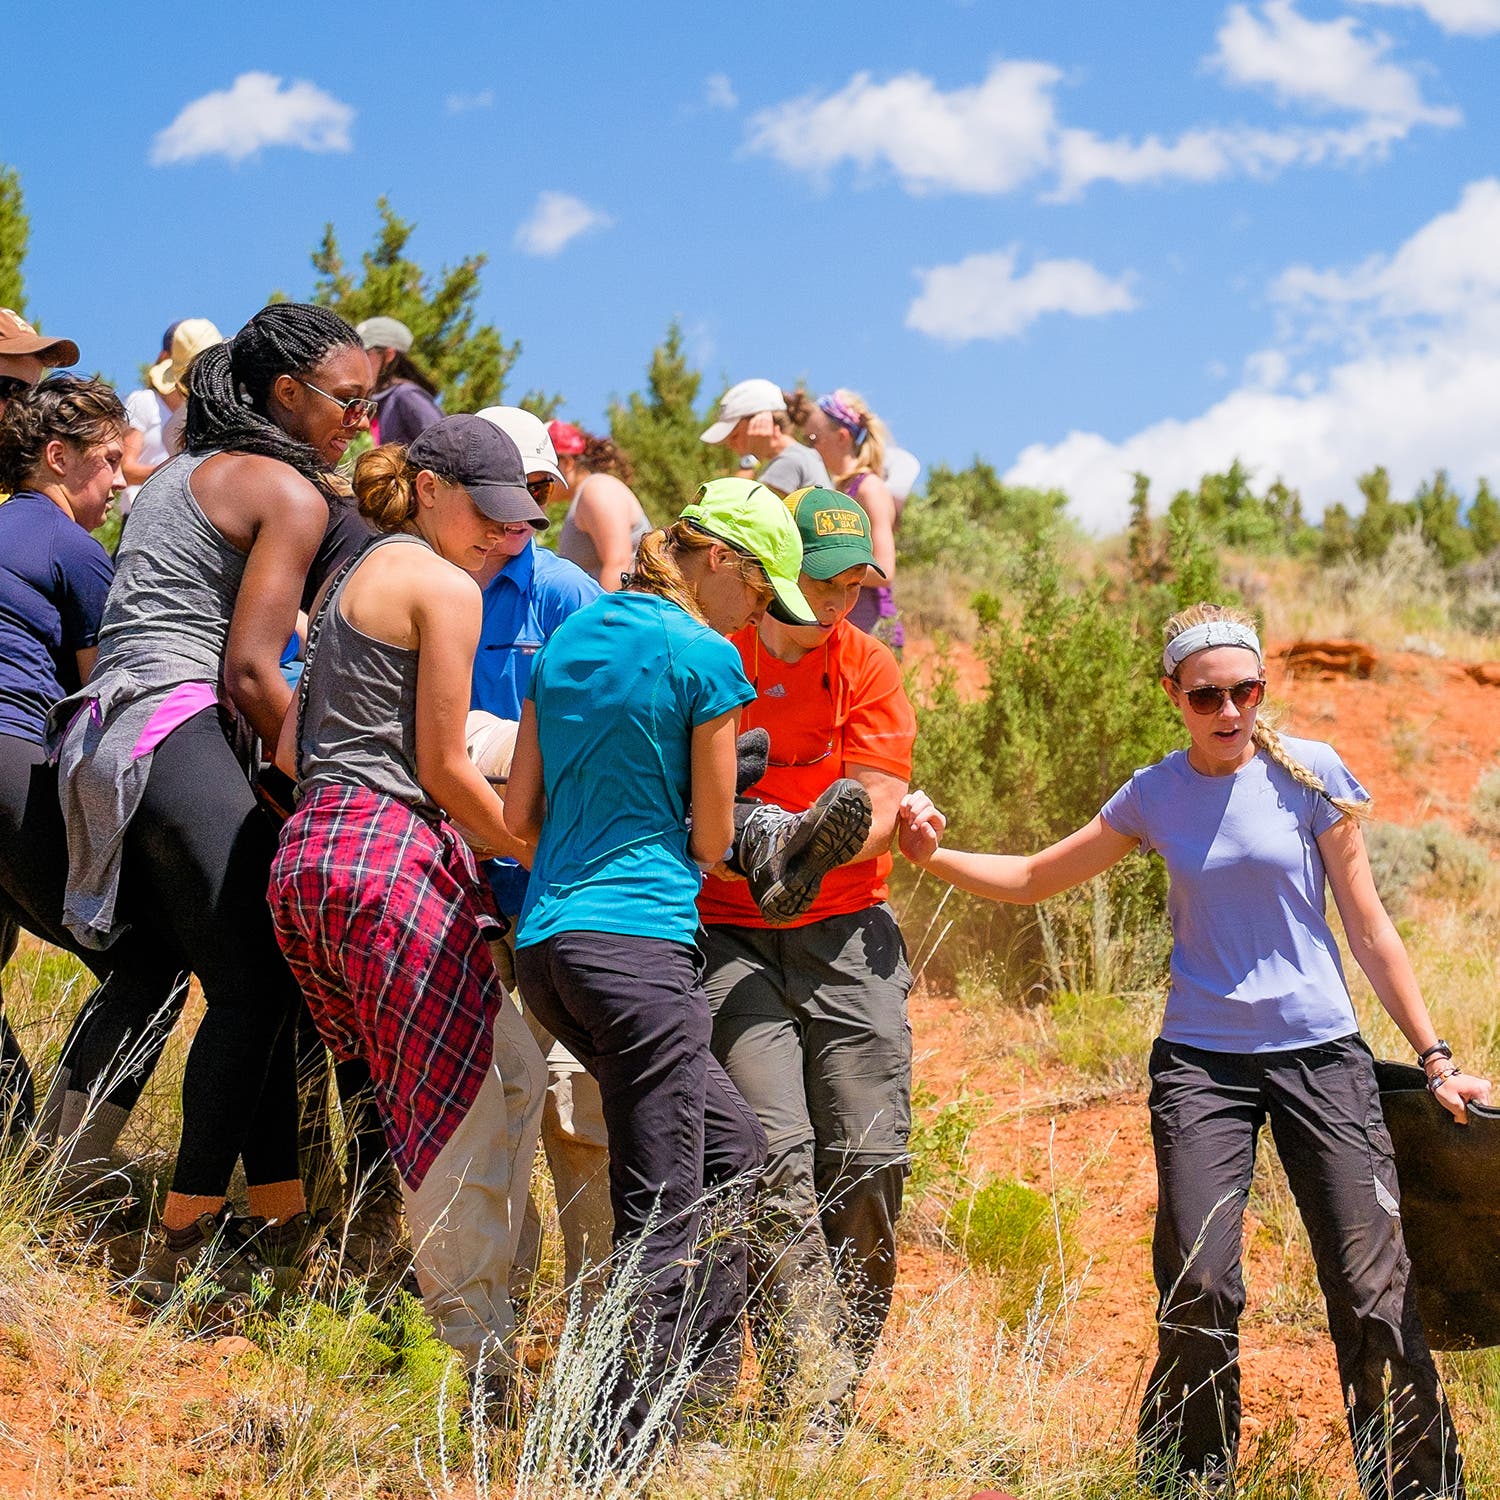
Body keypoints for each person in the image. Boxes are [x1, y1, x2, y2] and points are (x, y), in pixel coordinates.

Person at [897, 603, 1489, 1500]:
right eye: (1206, 693)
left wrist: (1436, 1058)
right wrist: (931, 857)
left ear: (1262, 689)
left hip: (1324, 1056)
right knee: (1201, 1282)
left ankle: (1419, 1490)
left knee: (1372, 1286)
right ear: (1173, 694)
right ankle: (1187, 1482)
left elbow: (1369, 928)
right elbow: (1030, 879)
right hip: (1201, 1066)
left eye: (1244, 690)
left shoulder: (1310, 774)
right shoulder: (1153, 793)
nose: (1228, 709)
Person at [509, 477, 865, 1448]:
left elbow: (517, 818)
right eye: (759, 593)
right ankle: (622, 1436)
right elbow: (710, 840)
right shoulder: (705, 657)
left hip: (549, 948)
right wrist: (714, 789)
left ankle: (696, 1395)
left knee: (735, 1155)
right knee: (661, 1205)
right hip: (639, 945)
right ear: (721, 561)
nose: (758, 615)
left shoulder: (570, 635)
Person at [50, 302, 377, 1299]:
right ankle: (179, 1254)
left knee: (210, 962)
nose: (363, 420)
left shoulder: (176, 474)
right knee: (257, 991)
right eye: (350, 401)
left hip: (102, 732)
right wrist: (325, 770)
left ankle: (262, 1219)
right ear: (290, 394)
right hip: (179, 723)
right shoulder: (290, 492)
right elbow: (247, 670)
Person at [269, 414, 547, 1414]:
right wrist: (529, 850)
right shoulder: (443, 585)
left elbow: (294, 753)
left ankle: (487, 1317)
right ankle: (471, 1364)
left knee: (506, 1075)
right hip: (391, 862)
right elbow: (438, 767)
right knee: (460, 1111)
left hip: (311, 859)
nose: (506, 541)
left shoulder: (352, 579)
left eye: (519, 525)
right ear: (429, 489)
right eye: (489, 517)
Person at [698, 486, 915, 1425]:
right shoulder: (720, 653)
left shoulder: (868, 666)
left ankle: (841, 1371)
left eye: (856, 581)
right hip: (730, 934)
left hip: (845, 935)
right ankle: (807, 1386)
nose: (840, 598)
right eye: (824, 579)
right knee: (773, 1157)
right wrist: (762, 845)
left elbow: (875, 803)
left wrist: (798, 846)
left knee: (868, 1158)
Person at [0, 378, 186, 1165]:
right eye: (109, 461)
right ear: (57, 456)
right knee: (151, 965)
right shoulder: (72, 548)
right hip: (10, 752)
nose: (118, 480)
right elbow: (103, 705)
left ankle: (12, 1147)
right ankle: (63, 1165)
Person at [470, 406, 613, 1302]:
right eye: (508, 494)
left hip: (555, 889)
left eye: (535, 495)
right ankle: (498, 1316)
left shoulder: (565, 594)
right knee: (489, 1109)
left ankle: (599, 1319)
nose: (520, 515)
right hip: (460, 893)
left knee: (576, 1105)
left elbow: (607, 727)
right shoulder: (418, 581)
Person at [803, 390, 903, 651]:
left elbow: (884, 571)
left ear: (842, 437)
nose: (810, 448)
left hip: (873, 630)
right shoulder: (842, 489)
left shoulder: (870, 488)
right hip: (848, 625)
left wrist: (820, 571)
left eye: (813, 438)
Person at [121, 319, 223, 513]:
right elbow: (126, 468)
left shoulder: (197, 410)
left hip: (179, 510)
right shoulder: (145, 402)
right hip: (141, 511)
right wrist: (176, 471)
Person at [546, 420, 651, 591]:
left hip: (623, 614)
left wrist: (605, 618)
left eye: (545, 468)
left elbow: (618, 564)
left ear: (566, 463)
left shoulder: (596, 489)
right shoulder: (583, 497)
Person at [699, 378, 827, 499]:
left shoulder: (788, 462)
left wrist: (750, 459)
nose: (730, 444)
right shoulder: (803, 455)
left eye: (734, 435)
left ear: (761, 421)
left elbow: (731, 508)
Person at [356, 316, 442, 445]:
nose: (358, 361)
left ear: (389, 355)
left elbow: (443, 443)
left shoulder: (406, 395)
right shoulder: (375, 402)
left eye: (366, 353)